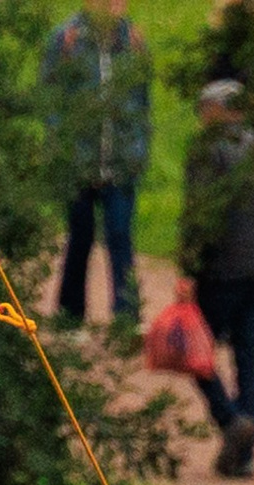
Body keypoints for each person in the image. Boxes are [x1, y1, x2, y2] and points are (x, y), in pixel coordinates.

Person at [178, 79, 254, 480]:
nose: (201, 116)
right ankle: (244, 454)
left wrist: (189, 269)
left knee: (194, 352)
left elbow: (201, 212)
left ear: (218, 109)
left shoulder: (207, 149)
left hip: (222, 268)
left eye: (204, 108)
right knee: (248, 360)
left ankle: (229, 420)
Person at [40, 1, 152, 327]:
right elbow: (51, 97)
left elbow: (142, 102)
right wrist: (62, 145)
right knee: (81, 235)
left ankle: (126, 317)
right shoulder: (67, 39)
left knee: (120, 234)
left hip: (121, 160)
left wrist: (138, 149)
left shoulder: (133, 41)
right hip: (79, 159)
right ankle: (70, 314)